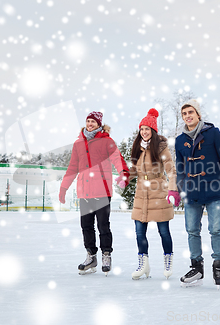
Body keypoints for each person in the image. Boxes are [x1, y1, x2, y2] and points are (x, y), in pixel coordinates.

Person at [175, 99, 220, 287]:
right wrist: (179, 189)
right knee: (192, 230)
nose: (187, 116)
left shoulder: (213, 133)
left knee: (215, 229)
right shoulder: (180, 140)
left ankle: (218, 264)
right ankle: (197, 267)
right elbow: (180, 168)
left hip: (212, 189)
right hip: (192, 191)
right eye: (184, 114)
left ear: (198, 114)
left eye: (190, 112)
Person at [59, 111, 129, 276]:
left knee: (103, 226)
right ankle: (91, 256)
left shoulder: (106, 141)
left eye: (93, 122)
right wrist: (63, 187)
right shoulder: (78, 144)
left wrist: (124, 173)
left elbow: (118, 159)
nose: (90, 124)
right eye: (88, 121)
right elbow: (72, 167)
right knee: (86, 226)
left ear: (99, 124)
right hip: (84, 192)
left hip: (102, 191)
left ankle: (106, 255)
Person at [128, 108, 180, 280]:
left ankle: (168, 260)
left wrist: (173, 189)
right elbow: (134, 169)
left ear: (153, 131)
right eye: (142, 129)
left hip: (159, 190)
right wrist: (125, 177)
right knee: (139, 231)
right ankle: (144, 264)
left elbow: (171, 171)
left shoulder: (161, 148)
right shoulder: (137, 147)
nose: (144, 132)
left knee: (163, 230)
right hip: (141, 191)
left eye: (147, 129)